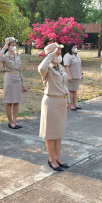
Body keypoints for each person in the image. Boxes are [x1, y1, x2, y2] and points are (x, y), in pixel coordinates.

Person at [38, 43, 71, 171]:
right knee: (51, 133)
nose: (59, 56)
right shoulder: (47, 68)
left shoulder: (60, 67)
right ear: (50, 55)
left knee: (59, 132)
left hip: (61, 102)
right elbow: (41, 68)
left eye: (59, 53)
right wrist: (50, 54)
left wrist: (68, 100)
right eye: (56, 53)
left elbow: (64, 85)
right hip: (51, 102)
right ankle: (51, 159)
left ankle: (58, 156)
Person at [0, 37, 26, 129]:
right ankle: (10, 122)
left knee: (16, 101)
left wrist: (23, 83)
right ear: (8, 46)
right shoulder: (5, 56)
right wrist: (4, 48)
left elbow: (20, 70)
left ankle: (15, 121)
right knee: (9, 101)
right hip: (9, 79)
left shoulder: (17, 56)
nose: (14, 47)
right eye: (12, 45)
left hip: (17, 79)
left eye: (15, 45)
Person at [63, 43, 83, 111]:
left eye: (76, 47)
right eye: (74, 47)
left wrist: (81, 74)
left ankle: (75, 104)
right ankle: (71, 104)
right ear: (71, 48)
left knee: (75, 90)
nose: (76, 49)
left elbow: (79, 66)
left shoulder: (77, 56)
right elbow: (66, 66)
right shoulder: (68, 56)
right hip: (71, 76)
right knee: (71, 91)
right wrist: (69, 75)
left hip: (77, 76)